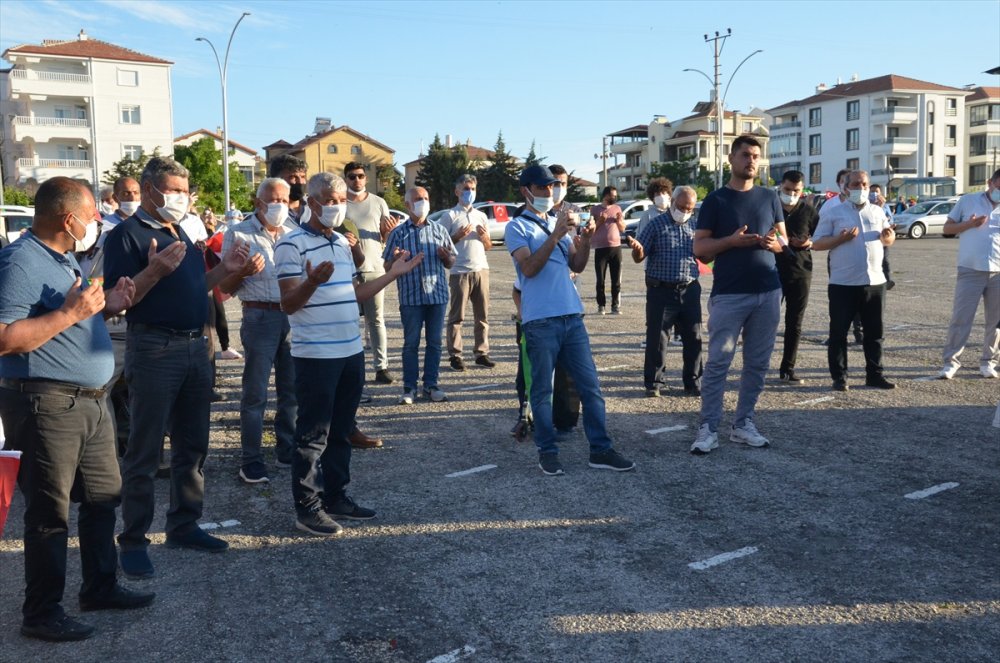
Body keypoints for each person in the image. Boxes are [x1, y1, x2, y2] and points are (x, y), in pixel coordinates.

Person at [0, 177, 153, 642]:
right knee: (50, 513)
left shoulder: (63, 257)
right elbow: (5, 338)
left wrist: (106, 308)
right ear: (69, 219)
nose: (97, 224)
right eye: (91, 217)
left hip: (90, 400)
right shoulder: (20, 261)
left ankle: (99, 587)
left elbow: (66, 320)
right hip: (47, 404)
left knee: (103, 497)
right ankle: (41, 613)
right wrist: (71, 314)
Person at [103, 157, 252, 579]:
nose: (181, 198)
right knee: (145, 449)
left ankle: (184, 524)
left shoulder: (180, 231)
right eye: (173, 190)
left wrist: (225, 270)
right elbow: (120, 300)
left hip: (194, 347)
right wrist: (153, 271)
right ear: (149, 189)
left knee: (193, 444)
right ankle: (133, 539)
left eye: (185, 192)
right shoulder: (126, 236)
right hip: (154, 348)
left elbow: (195, 287)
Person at [275, 172, 423, 536]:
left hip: (350, 351)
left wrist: (392, 274)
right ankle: (307, 508)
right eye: (329, 200)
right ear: (311, 203)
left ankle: (336, 496)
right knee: (313, 434)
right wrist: (312, 282)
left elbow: (356, 294)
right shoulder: (290, 244)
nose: (337, 207)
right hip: (315, 355)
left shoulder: (342, 242)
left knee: (341, 430)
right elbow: (288, 304)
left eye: (341, 200)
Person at [505, 164, 635, 476]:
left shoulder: (556, 222)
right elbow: (529, 269)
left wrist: (586, 239)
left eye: (552, 186)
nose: (549, 192)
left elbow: (576, 264)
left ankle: (600, 449)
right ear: (526, 191)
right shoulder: (517, 227)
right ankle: (547, 451)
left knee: (590, 387)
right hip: (540, 321)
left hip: (571, 316)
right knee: (542, 392)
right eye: (542, 187)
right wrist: (555, 235)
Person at [690, 135, 787, 455]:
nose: (751, 160)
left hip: (768, 292)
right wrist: (730, 242)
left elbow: (784, 241)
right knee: (719, 362)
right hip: (730, 294)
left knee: (757, 364)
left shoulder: (770, 197)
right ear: (730, 158)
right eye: (745, 154)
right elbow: (700, 249)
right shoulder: (716, 200)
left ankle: (743, 423)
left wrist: (775, 244)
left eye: (756, 155)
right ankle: (708, 427)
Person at [218, 177, 300, 484]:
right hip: (259, 317)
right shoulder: (238, 233)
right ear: (258, 203)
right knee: (255, 393)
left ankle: (286, 449)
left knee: (292, 390)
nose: (279, 206)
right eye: (273, 200)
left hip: (292, 316)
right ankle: (251, 459)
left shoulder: (294, 231)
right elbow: (225, 287)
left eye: (284, 200)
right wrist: (243, 272)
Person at [811, 169, 897, 391]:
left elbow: (888, 238)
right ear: (846, 188)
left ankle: (875, 375)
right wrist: (841, 239)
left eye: (864, 184)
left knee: (875, 333)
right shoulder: (833, 212)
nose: (861, 188)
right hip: (844, 283)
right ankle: (840, 377)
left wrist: (889, 237)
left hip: (875, 282)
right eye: (856, 184)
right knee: (839, 333)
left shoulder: (877, 211)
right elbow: (817, 243)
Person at [382, 186, 456, 404]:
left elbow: (451, 261)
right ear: (407, 205)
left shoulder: (439, 230)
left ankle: (431, 385)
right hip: (411, 297)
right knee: (410, 344)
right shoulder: (398, 233)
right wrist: (396, 260)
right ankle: (409, 388)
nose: (423, 202)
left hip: (437, 295)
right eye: (417, 199)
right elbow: (387, 267)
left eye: (425, 198)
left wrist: (446, 257)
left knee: (435, 343)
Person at [629, 185, 702, 397]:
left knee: (694, 337)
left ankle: (693, 382)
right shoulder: (655, 224)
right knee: (657, 339)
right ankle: (654, 382)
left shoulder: (695, 226)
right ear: (673, 203)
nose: (685, 211)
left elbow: (704, 255)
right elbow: (639, 255)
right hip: (661, 290)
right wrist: (637, 251)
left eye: (689, 208)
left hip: (689, 289)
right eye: (682, 206)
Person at [938, 168, 1000, 379]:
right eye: (999, 187)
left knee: (996, 322)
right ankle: (951, 362)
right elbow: (947, 229)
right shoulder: (968, 201)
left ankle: (988, 361)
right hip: (970, 269)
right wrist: (969, 224)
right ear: (990, 182)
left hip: (998, 271)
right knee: (961, 318)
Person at [344, 161, 396, 384]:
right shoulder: (339, 203)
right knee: (348, 321)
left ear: (366, 178)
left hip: (374, 268)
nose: (357, 180)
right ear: (345, 179)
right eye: (352, 176)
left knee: (376, 321)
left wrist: (388, 232)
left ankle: (381, 367)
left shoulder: (379, 202)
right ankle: (350, 369)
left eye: (360, 176)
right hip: (346, 271)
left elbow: (385, 238)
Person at [440, 174, 495, 372]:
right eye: (465, 189)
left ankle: (481, 353)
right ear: (457, 192)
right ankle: (455, 355)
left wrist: (484, 238)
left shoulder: (481, 215)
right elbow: (441, 245)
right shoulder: (450, 216)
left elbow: (488, 246)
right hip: (460, 271)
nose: (469, 192)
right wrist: (456, 236)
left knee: (482, 315)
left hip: (481, 269)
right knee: (457, 316)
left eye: (472, 189)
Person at [774, 170, 819, 384]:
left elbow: (821, 237)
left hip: (800, 272)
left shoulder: (809, 211)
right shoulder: (770, 208)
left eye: (796, 191)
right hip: (771, 271)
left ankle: (787, 368)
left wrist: (808, 242)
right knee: (765, 321)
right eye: (788, 189)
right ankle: (756, 366)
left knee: (795, 322)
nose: (791, 194)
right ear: (780, 187)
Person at [589, 186, 625, 314]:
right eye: (612, 195)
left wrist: (619, 221)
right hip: (600, 248)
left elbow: (622, 228)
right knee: (600, 280)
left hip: (616, 248)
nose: (614, 198)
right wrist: (600, 221)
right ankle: (601, 305)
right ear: (605, 195)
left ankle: (615, 306)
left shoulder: (617, 208)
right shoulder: (595, 209)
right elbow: (590, 230)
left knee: (616, 280)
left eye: (615, 195)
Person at [269, 154, 309, 225]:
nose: (300, 182)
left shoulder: (315, 207)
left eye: (303, 177)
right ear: (276, 179)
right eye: (293, 177)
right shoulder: (268, 212)